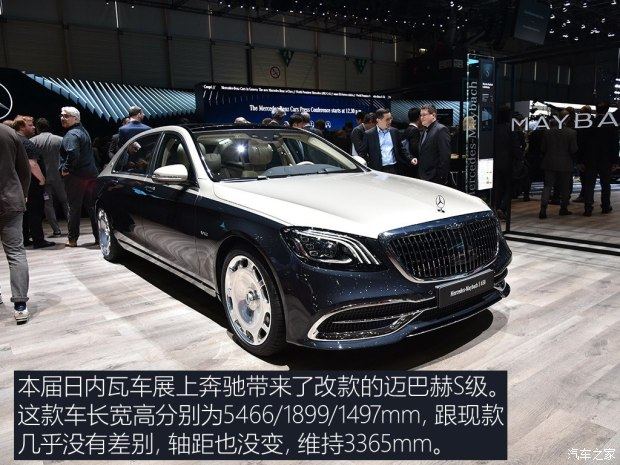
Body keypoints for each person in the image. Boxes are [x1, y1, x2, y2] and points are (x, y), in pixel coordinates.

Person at [0, 122, 32, 323]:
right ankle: (20, 306)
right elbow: (24, 170)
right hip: (10, 199)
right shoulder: (9, 133)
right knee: (16, 253)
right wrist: (23, 193)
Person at [59, 107, 99, 247]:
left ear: (75, 118)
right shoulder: (83, 131)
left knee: (74, 208)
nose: (62, 118)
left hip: (76, 177)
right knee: (92, 208)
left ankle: (72, 240)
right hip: (90, 175)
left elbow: (73, 154)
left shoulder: (71, 134)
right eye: (61, 115)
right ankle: (99, 238)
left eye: (66, 116)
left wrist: (66, 169)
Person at [13, 116, 55, 249]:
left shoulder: (15, 140)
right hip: (33, 184)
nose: (34, 127)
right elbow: (32, 164)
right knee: (35, 211)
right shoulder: (26, 143)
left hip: (21, 183)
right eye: (30, 125)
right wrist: (42, 179)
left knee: (26, 213)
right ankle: (39, 240)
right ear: (21, 127)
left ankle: (25, 238)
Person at [31, 118, 69, 238]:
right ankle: (72, 227)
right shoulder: (60, 139)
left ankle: (56, 230)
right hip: (60, 176)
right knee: (66, 202)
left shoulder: (32, 141)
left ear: (37, 128)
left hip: (43, 178)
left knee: (48, 205)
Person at [579, 102, 619, 216]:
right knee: (605, 184)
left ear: (596, 110)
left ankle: (588, 208)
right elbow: (614, 144)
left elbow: (582, 143)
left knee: (589, 184)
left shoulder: (589, 123)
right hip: (606, 159)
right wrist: (615, 161)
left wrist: (580, 161)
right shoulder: (611, 124)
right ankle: (605, 206)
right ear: (607, 110)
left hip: (590, 159)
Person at [538, 110, 578, 219]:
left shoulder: (547, 132)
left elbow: (543, 148)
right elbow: (574, 149)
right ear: (568, 119)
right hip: (565, 163)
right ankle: (563, 208)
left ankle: (543, 209)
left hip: (549, 162)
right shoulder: (572, 133)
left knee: (547, 186)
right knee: (565, 187)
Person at [359, 108, 409, 174]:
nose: (390, 121)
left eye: (391, 118)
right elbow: (362, 153)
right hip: (378, 169)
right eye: (387, 119)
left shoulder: (394, 131)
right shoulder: (369, 134)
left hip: (395, 168)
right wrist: (370, 164)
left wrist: (410, 158)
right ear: (378, 120)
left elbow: (401, 149)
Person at [416, 104, 452, 184]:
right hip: (424, 176)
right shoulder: (425, 130)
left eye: (424, 115)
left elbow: (445, 156)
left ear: (433, 115)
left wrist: (441, 177)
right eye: (421, 115)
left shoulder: (441, 129)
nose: (421, 117)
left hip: (435, 178)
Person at [402, 107, 421, 178]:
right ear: (419, 117)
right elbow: (415, 148)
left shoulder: (407, 129)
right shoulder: (415, 130)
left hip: (407, 162)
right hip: (414, 163)